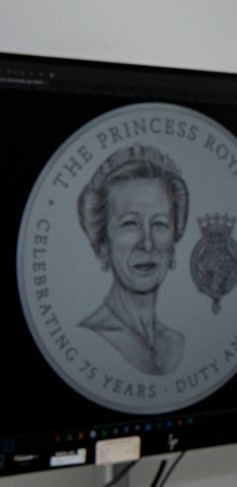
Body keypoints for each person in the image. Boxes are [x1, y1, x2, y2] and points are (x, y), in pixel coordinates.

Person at [78, 144, 188, 376]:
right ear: (104, 242)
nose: (147, 244)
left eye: (160, 224)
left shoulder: (177, 341)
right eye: (130, 223)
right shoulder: (88, 338)